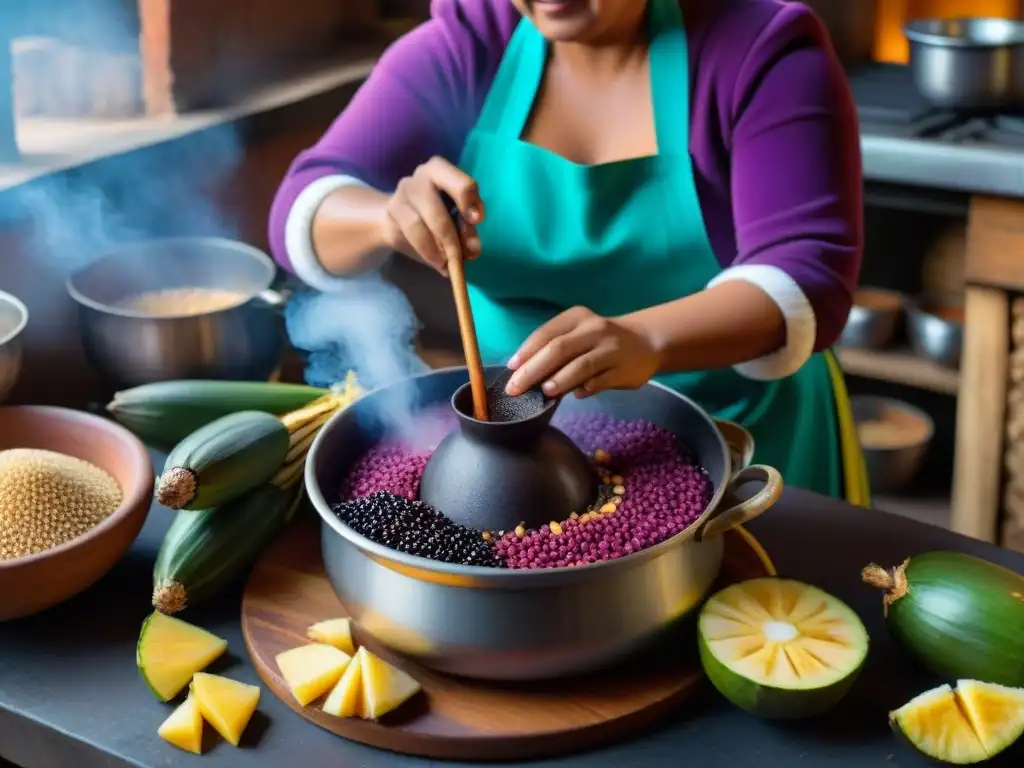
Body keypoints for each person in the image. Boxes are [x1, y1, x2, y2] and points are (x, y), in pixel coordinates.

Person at [268, 0, 870, 504]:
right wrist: (385, 218)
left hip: (743, 439)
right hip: (513, 457)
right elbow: (303, 208)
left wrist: (644, 339)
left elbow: (808, 274)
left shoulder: (759, 48)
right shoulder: (469, 46)